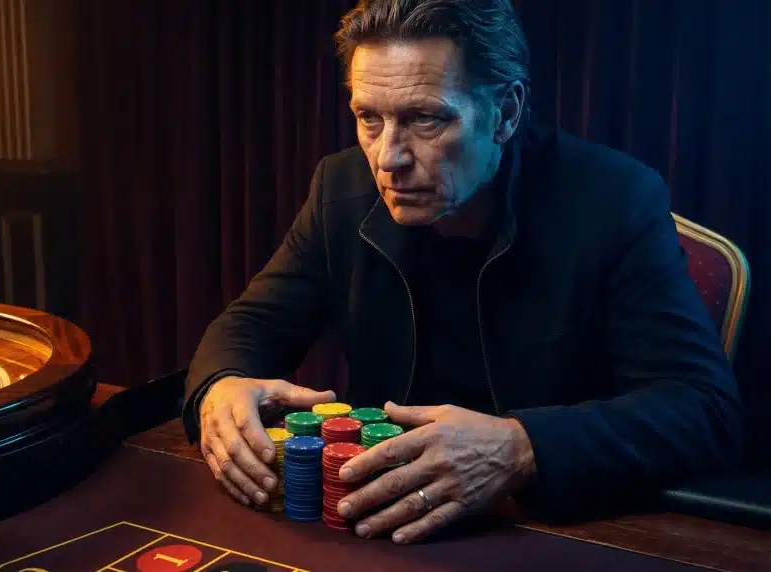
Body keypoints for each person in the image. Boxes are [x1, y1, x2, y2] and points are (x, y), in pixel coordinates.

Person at [180, 0, 743, 545]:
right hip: (378, 522)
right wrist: (220, 387)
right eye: (368, 118)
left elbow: (702, 409)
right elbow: (248, 327)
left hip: (547, 528)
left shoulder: (616, 198)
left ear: (505, 113)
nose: (387, 157)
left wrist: (520, 448)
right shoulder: (340, 188)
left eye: (425, 118)